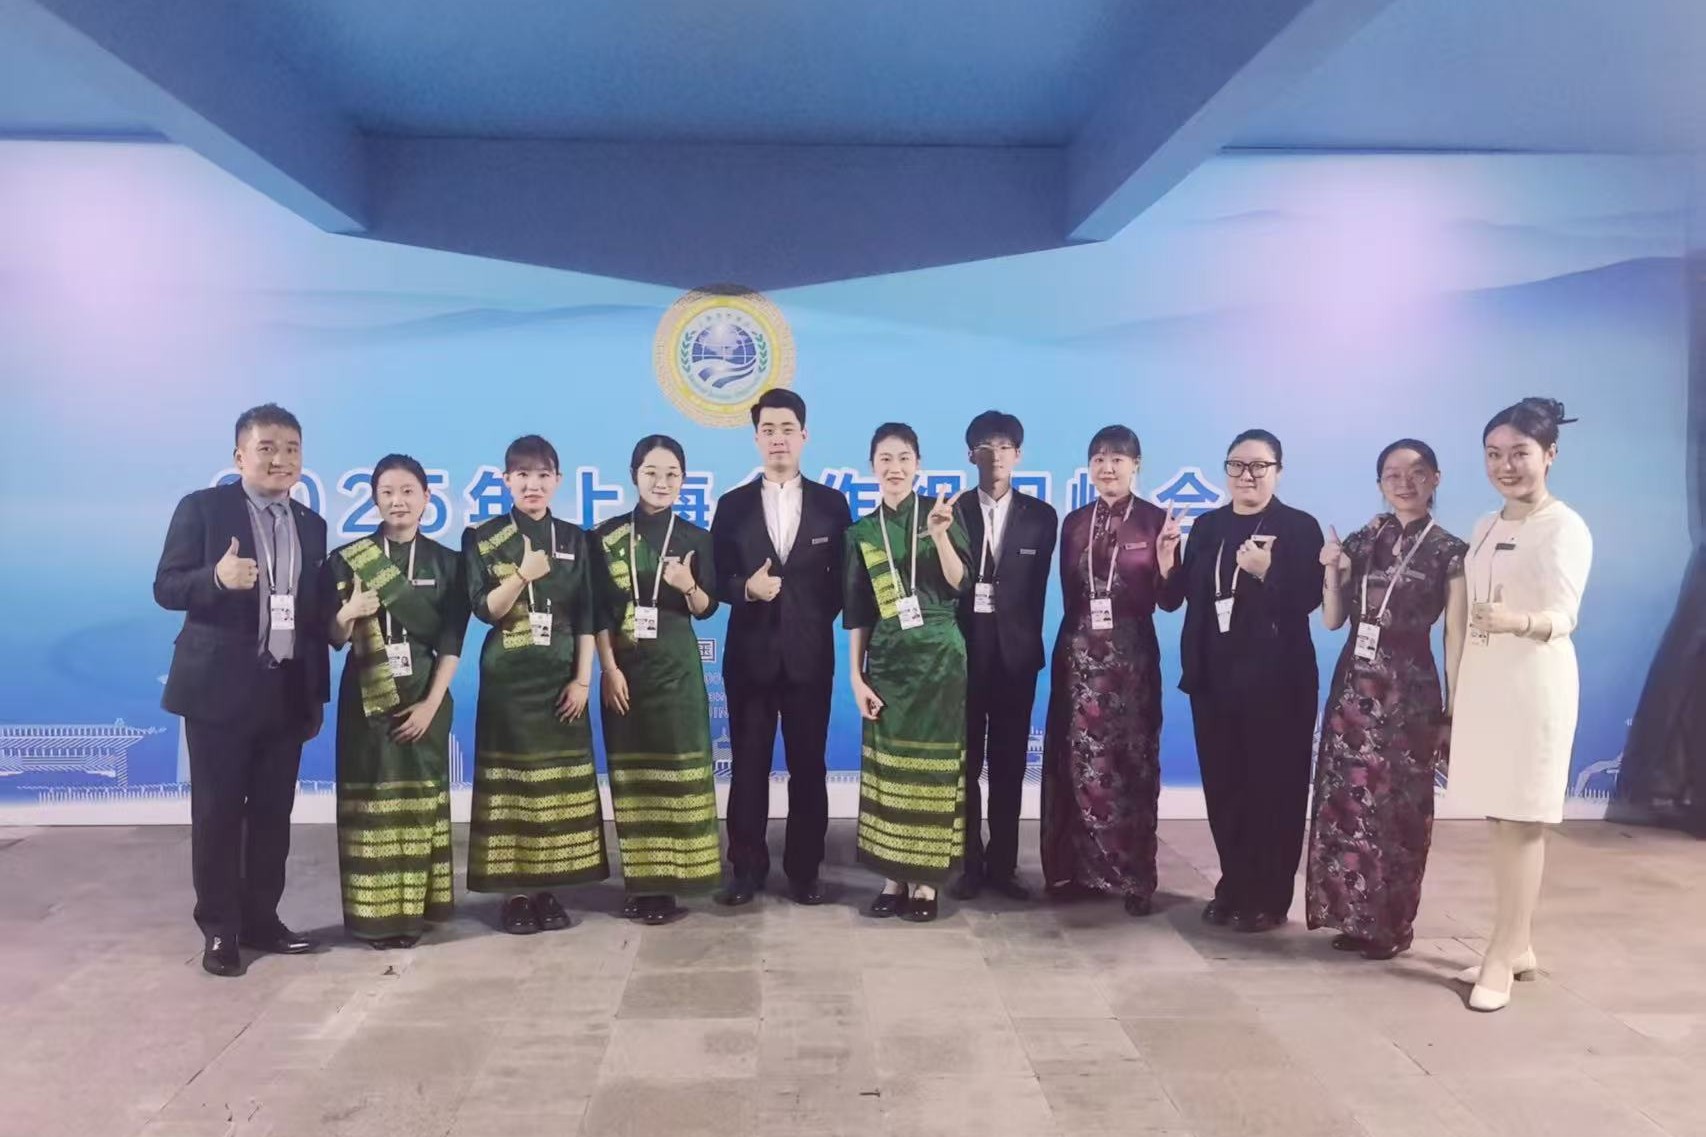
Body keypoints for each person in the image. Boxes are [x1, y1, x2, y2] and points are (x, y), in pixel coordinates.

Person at [154, 403, 330, 977]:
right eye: (267, 448)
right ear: (239, 456)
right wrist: (216, 578)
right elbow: (166, 587)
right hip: (218, 693)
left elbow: (309, 612)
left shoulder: (311, 525)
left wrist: (319, 684)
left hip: (286, 690)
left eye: (292, 449)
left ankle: (262, 920)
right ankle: (220, 930)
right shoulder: (204, 509)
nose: (281, 459)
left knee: (274, 815)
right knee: (218, 814)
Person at [1446, 398, 1592, 1012]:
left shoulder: (1565, 526)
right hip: (1487, 683)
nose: (1506, 466)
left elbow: (1565, 616)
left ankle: (1501, 956)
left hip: (1535, 684)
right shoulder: (1485, 524)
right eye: (1494, 454)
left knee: (1524, 820)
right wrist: (1458, 688)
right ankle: (1521, 943)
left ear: (1549, 455)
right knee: (1500, 819)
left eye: (1520, 454)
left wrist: (1518, 622)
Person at [1306, 440, 1468, 960]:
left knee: (1397, 810)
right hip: (1353, 690)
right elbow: (1333, 620)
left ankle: (1392, 925)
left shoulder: (1450, 551)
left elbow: (1456, 637)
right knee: (1347, 804)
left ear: (1436, 479)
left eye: (1417, 472)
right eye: (1392, 474)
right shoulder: (1362, 540)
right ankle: (1352, 916)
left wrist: (1453, 712)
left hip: (1409, 694)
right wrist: (1331, 569)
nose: (1404, 482)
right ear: (1379, 483)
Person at [1179, 428, 1325, 933]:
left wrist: (1266, 572)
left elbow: (1309, 599)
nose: (1247, 475)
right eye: (1237, 465)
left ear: (1277, 471)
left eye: (1259, 466)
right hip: (1214, 678)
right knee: (1226, 789)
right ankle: (1234, 886)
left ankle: (1270, 896)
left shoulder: (1298, 527)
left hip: (1278, 683)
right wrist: (1165, 564)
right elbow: (1190, 595)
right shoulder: (1208, 526)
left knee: (1274, 789)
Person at [462, 435, 608, 934]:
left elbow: (587, 613)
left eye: (543, 475)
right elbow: (485, 610)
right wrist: (521, 575)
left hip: (561, 678)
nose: (533, 484)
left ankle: (549, 888)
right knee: (513, 788)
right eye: (523, 475)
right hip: (508, 682)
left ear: (557, 481)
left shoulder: (575, 539)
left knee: (557, 787)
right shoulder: (482, 537)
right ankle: (516, 894)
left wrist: (583, 681)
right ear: (506, 480)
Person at [712, 390, 851, 907]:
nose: (778, 438)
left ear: (804, 435)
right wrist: (746, 590)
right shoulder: (732, 506)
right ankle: (746, 869)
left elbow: (843, 582)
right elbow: (715, 577)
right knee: (748, 767)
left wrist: (808, 621)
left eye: (787, 428)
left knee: (808, 767)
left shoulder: (832, 505)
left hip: (809, 659)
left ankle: (804, 871)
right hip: (749, 658)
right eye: (768, 430)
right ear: (756, 439)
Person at [324, 454, 470, 949]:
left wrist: (431, 704)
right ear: (374, 498)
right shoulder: (347, 559)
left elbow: (452, 641)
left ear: (427, 497)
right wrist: (348, 612)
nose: (398, 501)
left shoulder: (449, 563)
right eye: (387, 492)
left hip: (426, 694)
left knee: (420, 804)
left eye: (408, 491)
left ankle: (419, 911)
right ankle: (376, 918)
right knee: (372, 804)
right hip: (366, 702)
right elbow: (332, 638)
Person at [1040, 426, 1183, 916]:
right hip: (1079, 659)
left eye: (1118, 459)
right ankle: (1081, 872)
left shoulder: (1156, 520)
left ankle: (1134, 879)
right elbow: (1070, 594)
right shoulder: (1075, 523)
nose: (1107, 467)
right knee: (1080, 765)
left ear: (1136, 465)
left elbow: (1170, 601)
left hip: (1131, 660)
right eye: (1099, 458)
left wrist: (1167, 561)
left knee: (1131, 764)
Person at [844, 423, 971, 922]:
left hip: (940, 659)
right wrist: (856, 677)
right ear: (872, 466)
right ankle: (892, 877)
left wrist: (939, 535)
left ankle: (927, 882)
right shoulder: (861, 532)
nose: (894, 468)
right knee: (889, 767)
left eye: (903, 458)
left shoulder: (942, 514)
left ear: (917, 464)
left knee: (933, 768)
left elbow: (960, 583)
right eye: (885, 459)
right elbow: (858, 612)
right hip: (888, 662)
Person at [593, 435, 722, 925]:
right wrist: (609, 669)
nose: (661, 482)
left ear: (684, 480)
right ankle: (642, 883)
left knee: (678, 772)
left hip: (676, 669)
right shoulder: (605, 536)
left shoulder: (695, 537)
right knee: (635, 777)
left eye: (672, 474)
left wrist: (688, 586)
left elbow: (706, 609)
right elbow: (597, 613)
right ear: (635, 475)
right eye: (651, 472)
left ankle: (677, 879)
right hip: (625, 669)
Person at [951, 411, 1058, 902]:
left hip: (1016, 659)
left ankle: (1004, 865)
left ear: (1018, 454)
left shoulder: (1041, 517)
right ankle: (969, 863)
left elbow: (1038, 590)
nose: (994, 455)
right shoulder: (951, 512)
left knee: (1010, 764)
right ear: (970, 454)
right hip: (965, 655)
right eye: (985, 446)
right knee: (966, 765)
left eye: (1004, 446)